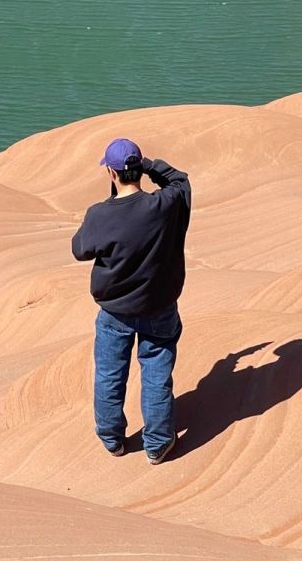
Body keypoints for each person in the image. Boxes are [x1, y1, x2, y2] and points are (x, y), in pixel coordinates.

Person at [71, 137, 191, 464]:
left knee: (110, 376)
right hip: (159, 309)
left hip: (114, 313)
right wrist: (151, 166)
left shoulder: (99, 214)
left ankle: (112, 440)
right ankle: (158, 444)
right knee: (155, 374)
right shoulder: (166, 205)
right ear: (138, 170)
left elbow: (79, 249)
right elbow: (180, 180)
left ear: (110, 173)